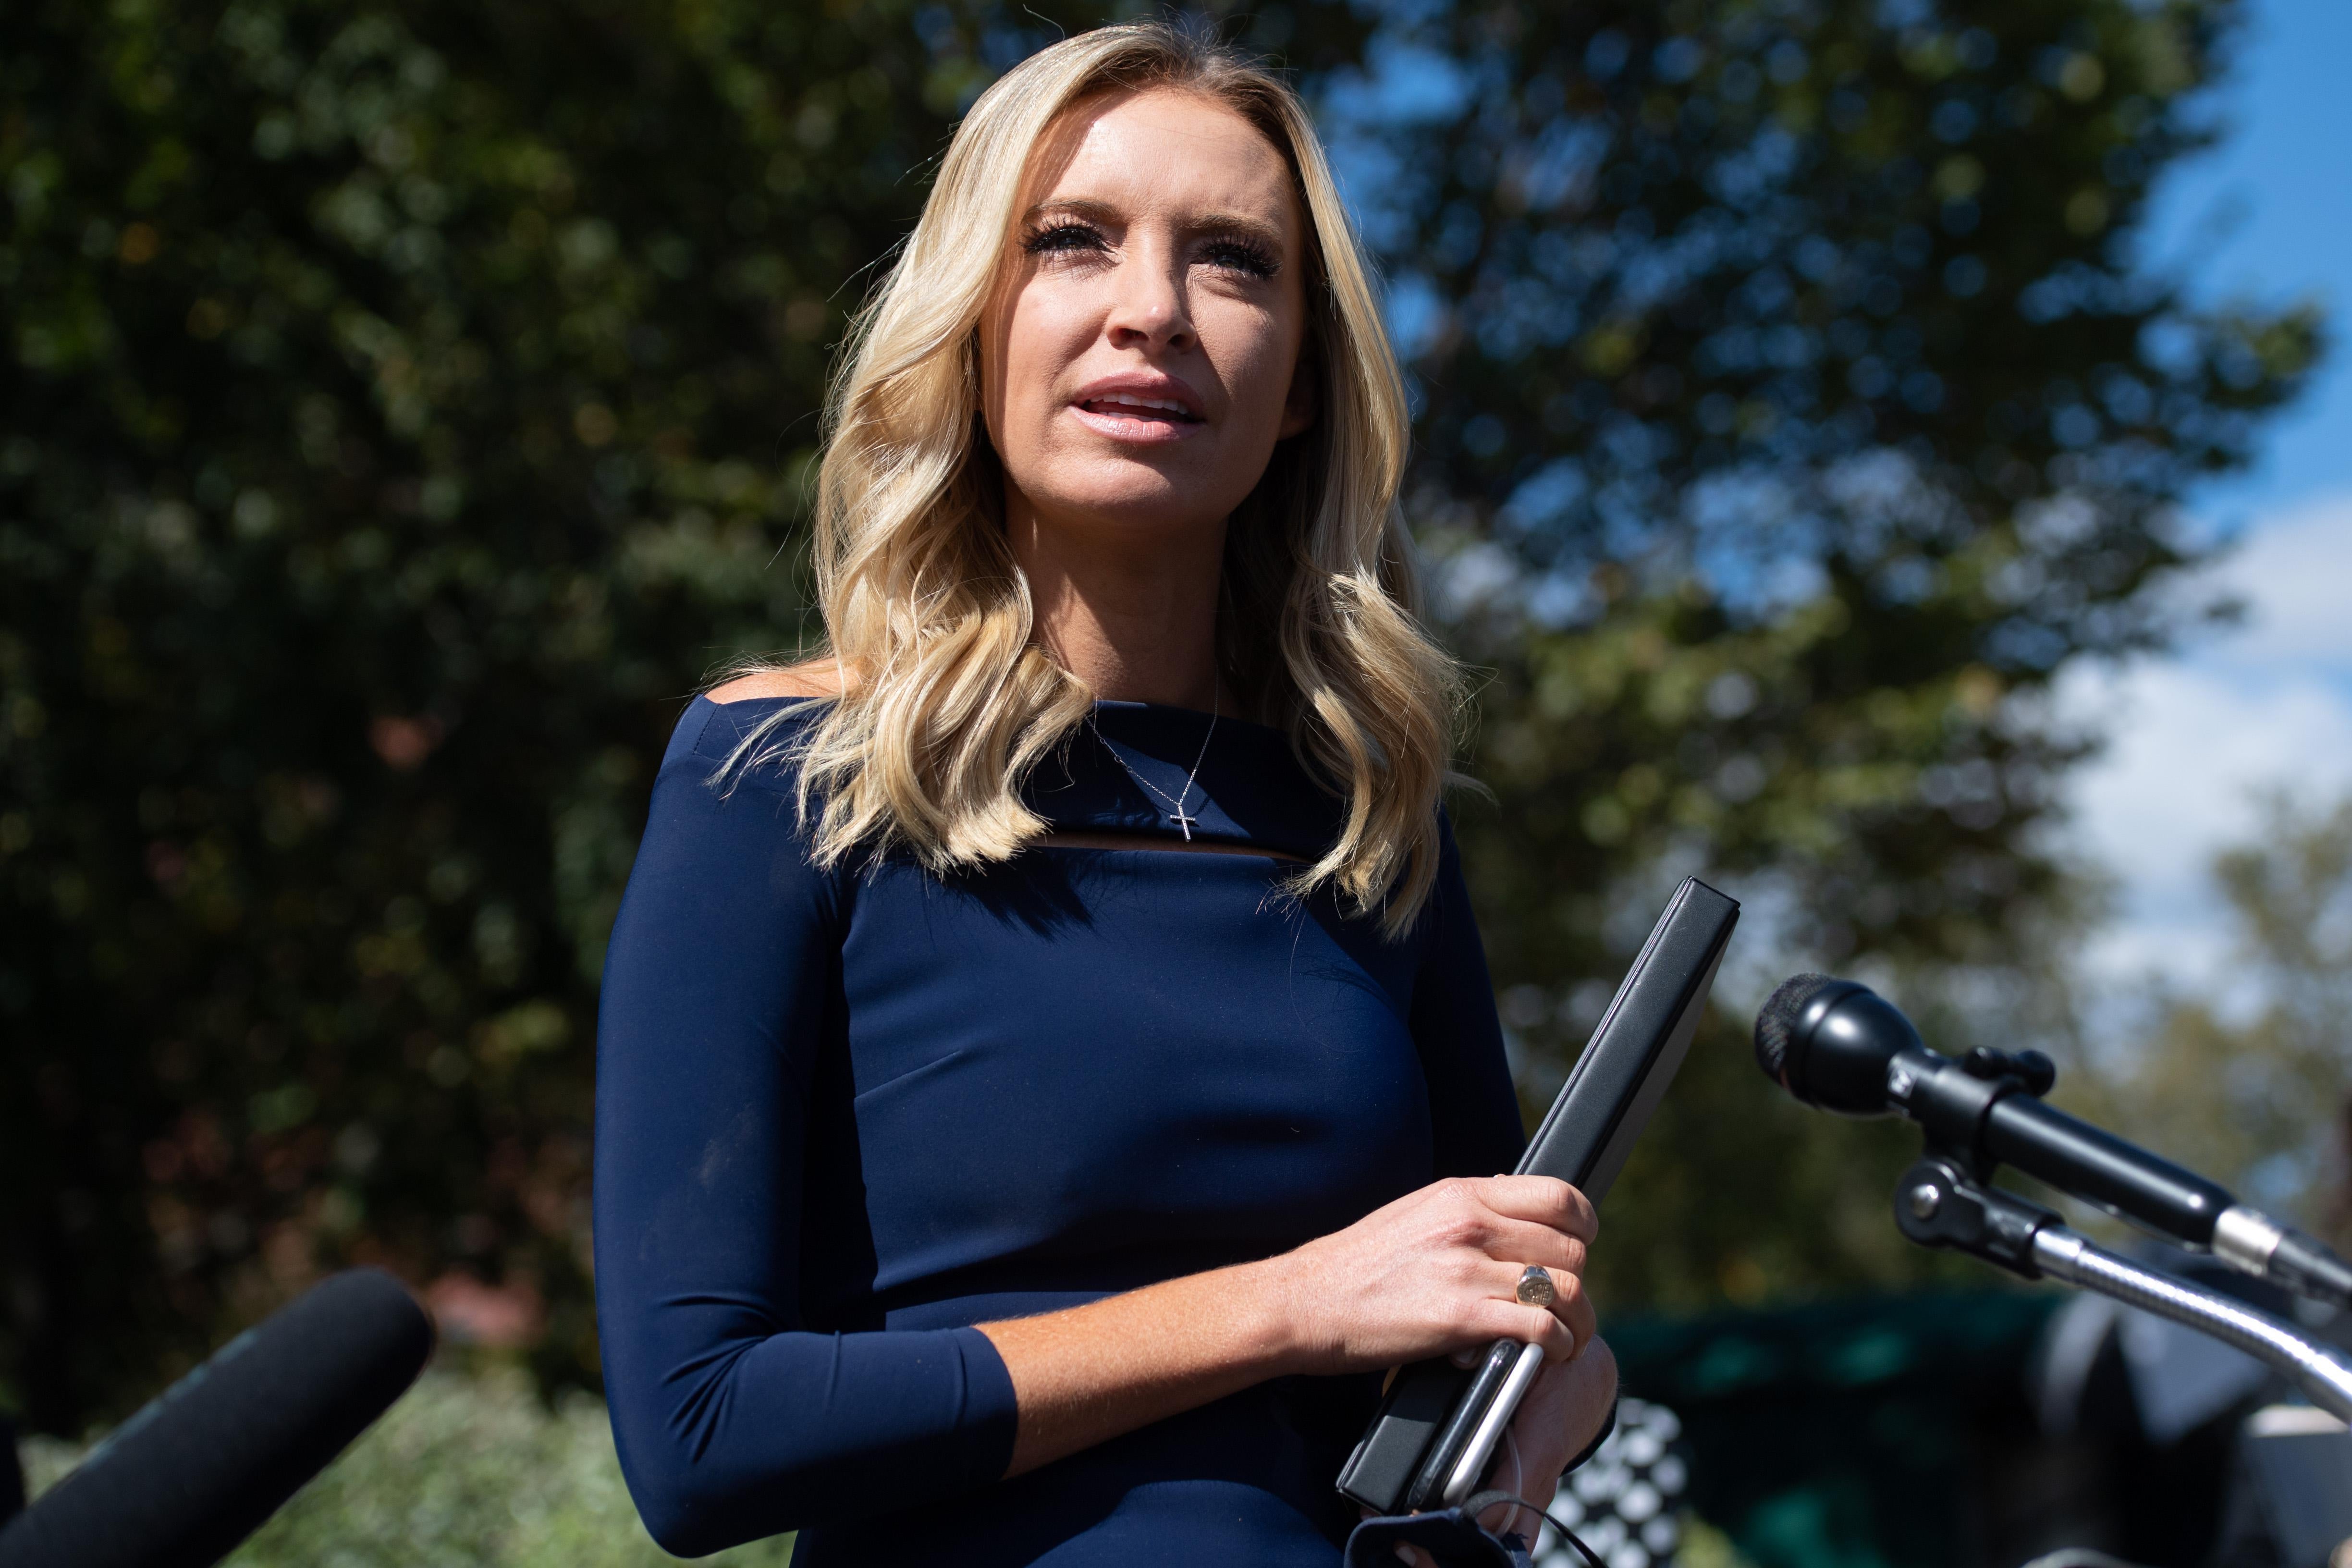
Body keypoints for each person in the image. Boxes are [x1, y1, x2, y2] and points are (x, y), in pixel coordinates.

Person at [592, 22, 1616, 1566]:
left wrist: (1557, 1391)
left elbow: (1491, 1309)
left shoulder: (1371, 821)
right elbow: (701, 1436)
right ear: (972, 327)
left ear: (1298, 393)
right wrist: (1285, 1306)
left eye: (1232, 263)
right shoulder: (778, 777)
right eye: (1072, 243)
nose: (1154, 313)